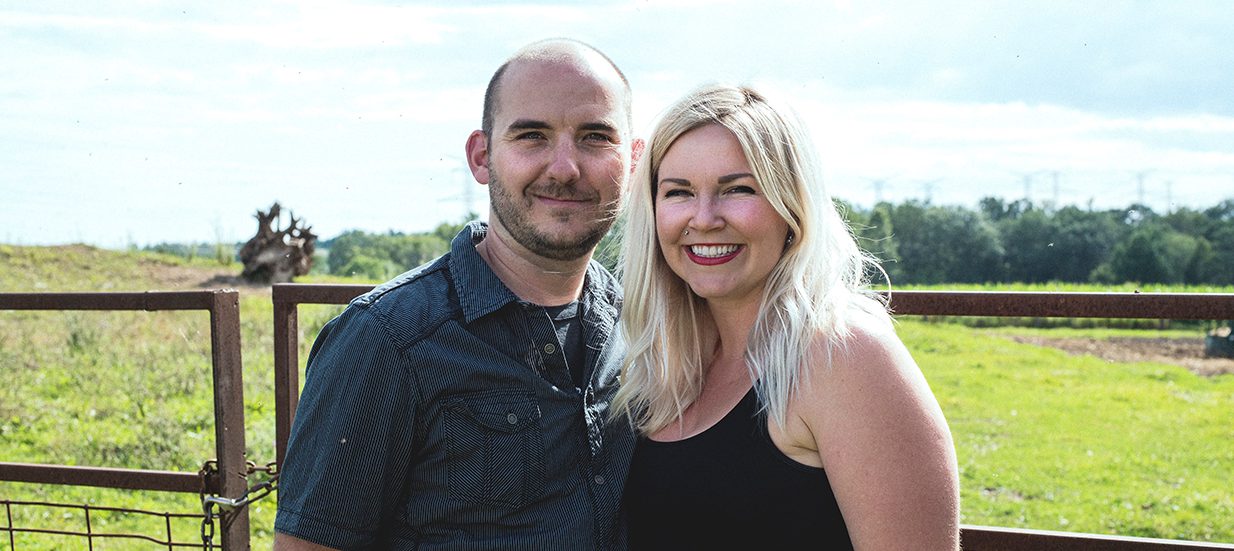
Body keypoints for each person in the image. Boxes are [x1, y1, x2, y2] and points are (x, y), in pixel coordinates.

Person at [273, 39, 641, 550]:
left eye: (595, 136)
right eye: (532, 136)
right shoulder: (387, 341)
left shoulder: (640, 323)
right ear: (482, 156)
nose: (564, 167)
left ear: (633, 160)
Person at [612, 84, 960, 550]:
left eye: (738, 189)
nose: (705, 217)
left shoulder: (844, 355)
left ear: (791, 206)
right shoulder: (659, 362)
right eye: (679, 192)